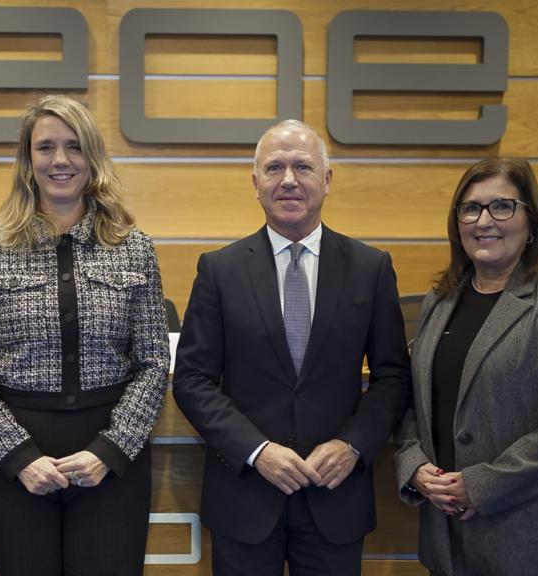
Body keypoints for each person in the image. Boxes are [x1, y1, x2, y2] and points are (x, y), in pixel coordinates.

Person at [172, 119, 412, 575]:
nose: (288, 180)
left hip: (335, 497)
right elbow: (193, 380)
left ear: (326, 179)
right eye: (274, 167)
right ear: (255, 183)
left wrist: (353, 445)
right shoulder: (219, 270)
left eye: (302, 166)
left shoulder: (370, 268)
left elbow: (393, 377)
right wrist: (257, 450)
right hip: (246, 497)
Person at [0, 95, 169, 575]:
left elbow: (154, 363)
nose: (60, 161)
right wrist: (17, 456)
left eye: (74, 146)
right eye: (45, 147)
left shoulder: (135, 250)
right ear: (28, 162)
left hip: (111, 462)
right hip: (15, 464)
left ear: (92, 159)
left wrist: (109, 452)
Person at [394, 157, 538, 576]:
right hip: (448, 541)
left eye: (502, 206)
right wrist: (414, 467)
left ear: (531, 221)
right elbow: (412, 404)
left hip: (534, 542)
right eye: (471, 208)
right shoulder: (438, 303)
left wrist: (480, 485)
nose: (484, 220)